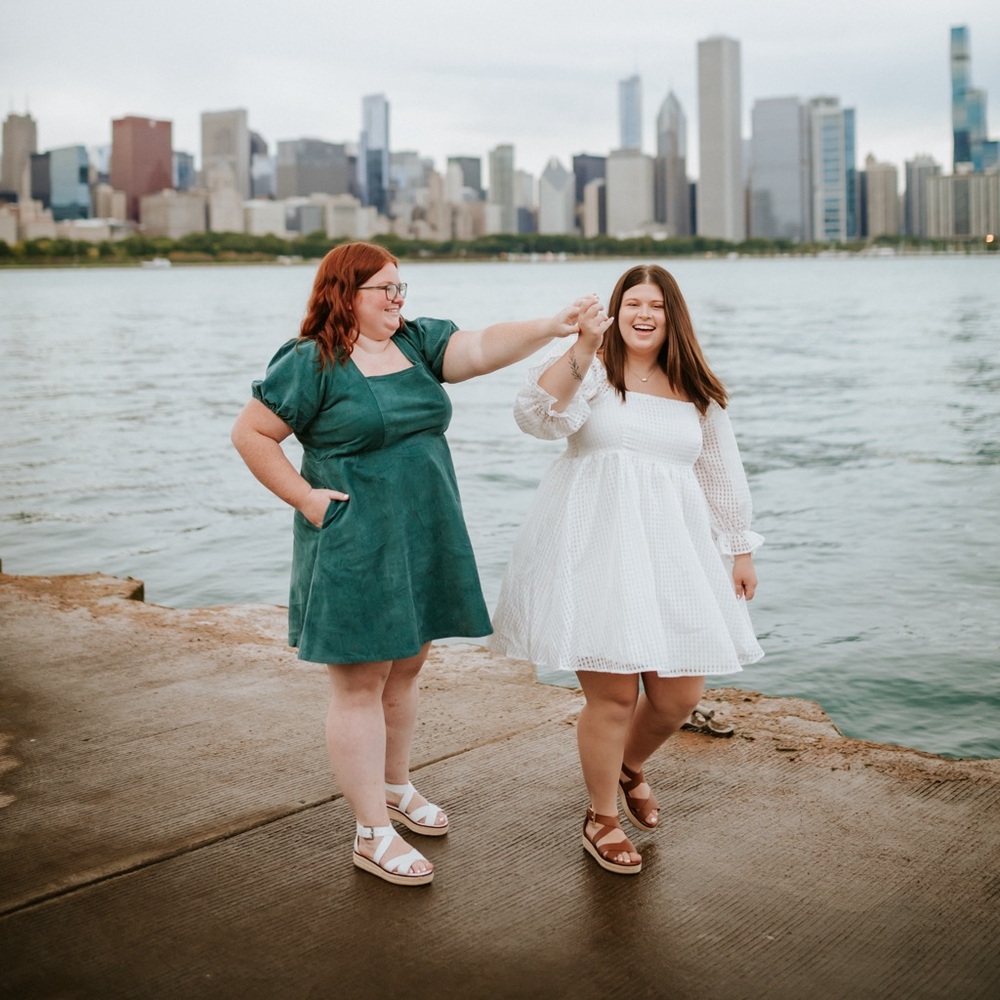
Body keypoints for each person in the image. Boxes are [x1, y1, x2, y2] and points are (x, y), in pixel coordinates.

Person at [231, 241, 592, 886]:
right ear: (347, 294)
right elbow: (251, 434)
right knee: (361, 680)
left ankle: (395, 785)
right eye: (386, 290)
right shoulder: (311, 361)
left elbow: (481, 347)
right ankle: (372, 831)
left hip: (424, 529)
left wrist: (551, 325)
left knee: (407, 666)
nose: (400, 300)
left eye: (403, 289)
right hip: (354, 537)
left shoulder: (417, 343)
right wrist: (309, 501)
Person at [490, 264, 764, 875]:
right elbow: (535, 416)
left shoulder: (696, 390)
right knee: (614, 694)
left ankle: (627, 765)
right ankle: (601, 818)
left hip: (674, 552)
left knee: (677, 696)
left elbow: (721, 473)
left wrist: (739, 549)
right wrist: (582, 347)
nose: (645, 314)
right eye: (633, 302)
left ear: (673, 317)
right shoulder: (593, 375)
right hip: (594, 547)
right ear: (616, 310)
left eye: (658, 305)